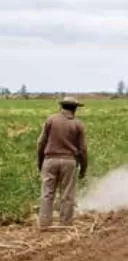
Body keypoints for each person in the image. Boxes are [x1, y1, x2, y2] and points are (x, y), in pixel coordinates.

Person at [36, 96, 88, 230]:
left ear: (61, 107)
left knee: (47, 193)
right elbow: (83, 149)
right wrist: (83, 167)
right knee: (67, 194)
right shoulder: (78, 124)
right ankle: (65, 224)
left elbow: (41, 142)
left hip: (50, 160)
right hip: (69, 161)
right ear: (75, 109)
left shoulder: (51, 120)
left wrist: (40, 162)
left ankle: (44, 224)